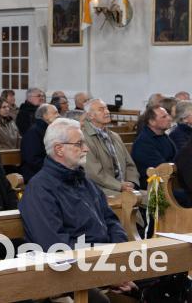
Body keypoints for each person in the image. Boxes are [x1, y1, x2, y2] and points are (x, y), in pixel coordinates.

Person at [20, 118, 136, 302]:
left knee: (163, 280)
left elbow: (111, 220)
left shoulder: (84, 181)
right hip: (69, 272)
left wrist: (118, 257)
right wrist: (107, 271)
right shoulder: (40, 189)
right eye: (79, 144)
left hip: (105, 262)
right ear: (59, 149)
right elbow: (57, 247)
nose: (86, 148)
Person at [81, 98, 139, 195]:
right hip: (101, 190)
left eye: (106, 108)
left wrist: (132, 182)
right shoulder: (84, 138)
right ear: (90, 115)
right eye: (101, 109)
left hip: (125, 187)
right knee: (134, 200)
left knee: (155, 197)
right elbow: (94, 173)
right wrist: (120, 186)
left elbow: (130, 164)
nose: (107, 112)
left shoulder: (115, 136)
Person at [131, 105, 177, 188]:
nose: (169, 118)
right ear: (152, 122)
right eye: (164, 117)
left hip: (169, 179)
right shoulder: (144, 142)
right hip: (153, 184)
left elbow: (176, 157)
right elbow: (162, 168)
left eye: (168, 115)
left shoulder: (163, 135)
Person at [20, 103, 59, 182]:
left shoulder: (51, 130)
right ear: (44, 116)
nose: (58, 115)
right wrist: (54, 168)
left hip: (49, 172)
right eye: (55, 113)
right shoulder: (34, 132)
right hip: (36, 175)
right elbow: (32, 159)